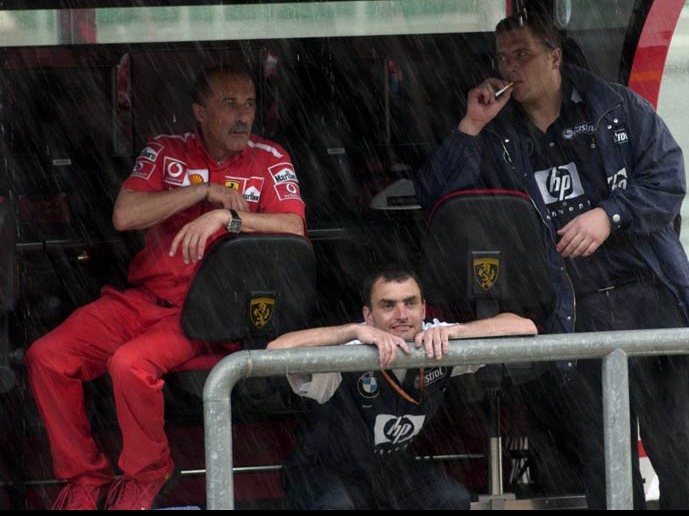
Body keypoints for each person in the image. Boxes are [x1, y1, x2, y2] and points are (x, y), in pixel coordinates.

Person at [415, 13, 689, 509]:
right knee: (608, 477)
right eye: (502, 58)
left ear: (554, 56)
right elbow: (436, 199)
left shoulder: (612, 106)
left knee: (683, 468)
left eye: (522, 55)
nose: (510, 67)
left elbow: (669, 178)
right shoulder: (496, 133)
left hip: (652, 304)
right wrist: (472, 123)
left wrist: (610, 215)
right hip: (573, 316)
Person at [24, 65, 306, 510]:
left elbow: (294, 226)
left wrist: (226, 217)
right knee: (47, 356)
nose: (243, 115)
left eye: (249, 103)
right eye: (228, 103)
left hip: (206, 312)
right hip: (138, 301)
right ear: (199, 111)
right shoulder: (166, 150)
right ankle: (83, 477)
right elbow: (125, 214)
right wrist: (201, 193)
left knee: (129, 364)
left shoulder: (269, 157)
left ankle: (149, 472)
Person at [268, 265, 537, 510]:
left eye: (410, 303)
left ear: (423, 309)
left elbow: (524, 327)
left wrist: (457, 333)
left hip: (387, 470)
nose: (401, 315)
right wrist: (352, 331)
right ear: (368, 315)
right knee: (337, 506)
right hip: (320, 469)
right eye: (388, 306)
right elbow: (276, 348)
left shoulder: (438, 338)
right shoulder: (351, 346)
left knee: (452, 498)